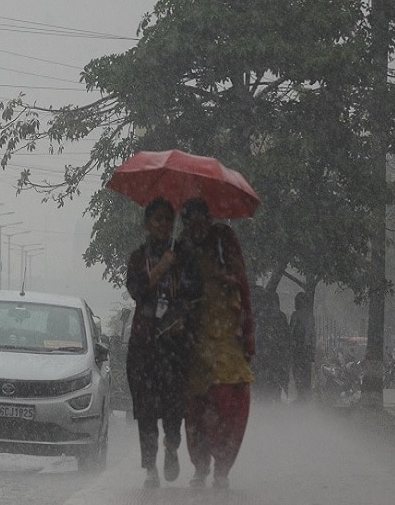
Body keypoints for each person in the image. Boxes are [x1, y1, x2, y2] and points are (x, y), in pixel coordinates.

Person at [178, 199, 255, 489]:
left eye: (200, 221)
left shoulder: (224, 240)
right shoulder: (182, 246)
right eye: (189, 222)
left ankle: (222, 467)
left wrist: (248, 337)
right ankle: (200, 466)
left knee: (228, 406)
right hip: (195, 342)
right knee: (196, 409)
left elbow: (243, 287)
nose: (195, 228)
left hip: (227, 341)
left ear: (209, 220)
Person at [124, 197, 187, 487]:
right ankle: (150, 467)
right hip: (145, 345)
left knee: (175, 404)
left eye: (167, 219)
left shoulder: (182, 255)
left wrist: (182, 318)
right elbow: (137, 291)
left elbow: (193, 291)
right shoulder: (138, 258)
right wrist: (161, 267)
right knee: (146, 409)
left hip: (175, 346)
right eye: (157, 219)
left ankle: (172, 447)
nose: (163, 224)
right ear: (147, 224)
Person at [251, 285, 289, 403]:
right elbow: (286, 339)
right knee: (273, 391)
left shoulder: (257, 316)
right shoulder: (280, 317)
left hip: (262, 360)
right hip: (274, 361)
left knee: (261, 392)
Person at [289, 291, 315, 402]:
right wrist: (308, 345)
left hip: (298, 348)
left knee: (297, 372)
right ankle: (305, 395)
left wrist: (293, 344)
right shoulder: (310, 316)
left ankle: (300, 395)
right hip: (307, 349)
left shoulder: (295, 315)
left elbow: (291, 331)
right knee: (306, 373)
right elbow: (311, 333)